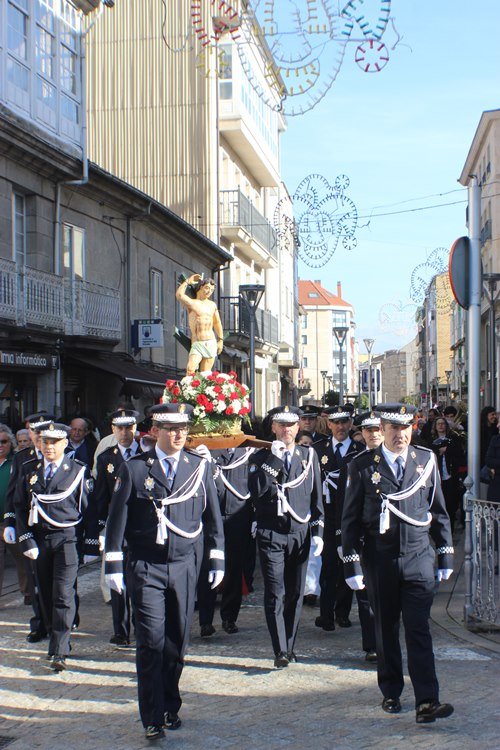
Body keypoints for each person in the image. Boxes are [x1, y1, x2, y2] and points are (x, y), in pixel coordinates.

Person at [104, 403, 224, 741]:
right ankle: (152, 715)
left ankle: (171, 704)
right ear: (155, 430)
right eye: (170, 428)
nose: (178, 434)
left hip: (185, 565)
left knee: (177, 641)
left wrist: (217, 557)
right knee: (151, 641)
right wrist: (112, 563)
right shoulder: (136, 469)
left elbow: (213, 517)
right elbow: (118, 519)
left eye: (183, 428)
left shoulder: (198, 467)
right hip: (146, 566)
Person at [342, 403, 454, 723]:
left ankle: (427, 700)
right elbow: (350, 519)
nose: (401, 435)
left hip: (419, 557)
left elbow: (438, 509)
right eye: (394, 428)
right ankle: (391, 691)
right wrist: (351, 562)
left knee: (419, 630)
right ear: (382, 428)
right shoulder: (363, 465)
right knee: (387, 629)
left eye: (406, 428)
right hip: (381, 559)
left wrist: (444, 550)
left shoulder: (425, 460)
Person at [14, 422, 95, 671]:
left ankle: (59, 648)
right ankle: (51, 630)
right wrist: (26, 538)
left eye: (54, 442)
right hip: (39, 540)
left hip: (67, 538)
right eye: (45, 442)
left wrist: (90, 544)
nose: (49, 447)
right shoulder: (30, 470)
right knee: (45, 592)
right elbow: (20, 506)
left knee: (63, 593)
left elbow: (88, 510)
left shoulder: (77, 471)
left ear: (64, 444)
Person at [248, 405, 324, 668]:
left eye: (291, 425)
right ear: (273, 428)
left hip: (300, 532)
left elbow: (316, 497)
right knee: (275, 591)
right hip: (272, 532)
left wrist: (319, 531)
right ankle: (279, 649)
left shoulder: (308, 455)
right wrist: (275, 460)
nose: (286, 429)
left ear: (298, 427)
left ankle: (289, 644)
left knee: (295, 592)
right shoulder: (260, 457)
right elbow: (257, 492)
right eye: (281, 424)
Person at [91, 408, 141, 646]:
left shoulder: (145, 453)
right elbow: (100, 498)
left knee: (140, 579)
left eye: (128, 428)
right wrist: (101, 529)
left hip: (142, 526)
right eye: (119, 428)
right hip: (116, 525)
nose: (124, 433)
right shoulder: (106, 458)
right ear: (112, 430)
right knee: (117, 578)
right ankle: (120, 630)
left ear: (135, 428)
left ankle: (142, 627)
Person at [3, 411, 55, 638]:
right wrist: (9, 521)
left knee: (60, 582)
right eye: (34, 431)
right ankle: (40, 623)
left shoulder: (65, 454)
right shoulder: (22, 458)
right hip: (31, 527)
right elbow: (14, 494)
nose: (38, 436)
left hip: (59, 528)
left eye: (42, 431)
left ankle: (62, 621)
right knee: (35, 578)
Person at [313, 404, 365, 631]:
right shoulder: (318, 450)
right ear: (329, 424)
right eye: (336, 423)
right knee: (327, 567)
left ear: (351, 424)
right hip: (327, 516)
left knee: (348, 562)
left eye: (345, 422)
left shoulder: (359, 450)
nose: (341, 427)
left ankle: (342, 613)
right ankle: (325, 614)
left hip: (350, 517)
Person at [197, 445, 256, 637]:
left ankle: (229, 618)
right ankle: (205, 621)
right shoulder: (210, 451)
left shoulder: (247, 453)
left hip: (238, 516)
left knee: (234, 568)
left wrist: (255, 516)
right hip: (212, 517)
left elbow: (253, 485)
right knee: (208, 568)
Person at [336, 412, 380, 662]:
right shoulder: (355, 462)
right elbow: (346, 506)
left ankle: (385, 640)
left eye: (376, 429)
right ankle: (371, 645)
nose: (373, 434)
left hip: (388, 540)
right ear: (361, 433)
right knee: (365, 596)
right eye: (368, 430)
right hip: (364, 539)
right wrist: (345, 539)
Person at [175, 274, 223, 375]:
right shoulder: (193, 303)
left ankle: (202, 391)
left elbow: (217, 322)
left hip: (210, 342)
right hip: (197, 342)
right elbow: (179, 295)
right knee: (190, 369)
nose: (209, 291)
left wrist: (221, 340)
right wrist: (188, 281)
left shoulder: (212, 305)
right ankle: (188, 390)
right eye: (207, 288)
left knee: (205, 373)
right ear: (200, 287)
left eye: (212, 290)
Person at [430, 417, 466, 532]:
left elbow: (460, 453)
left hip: (451, 476)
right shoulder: (432, 440)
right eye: (438, 424)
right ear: (435, 427)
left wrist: (447, 450)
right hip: (438, 478)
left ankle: (450, 529)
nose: (440, 426)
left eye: (442, 424)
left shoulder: (453, 439)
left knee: (451, 504)